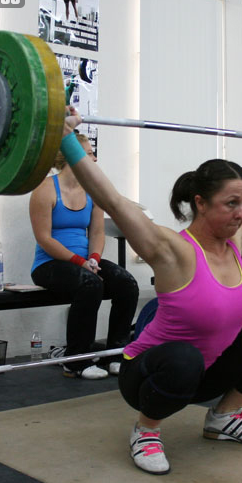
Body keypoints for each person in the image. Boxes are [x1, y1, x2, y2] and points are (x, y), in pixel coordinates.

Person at [59, 109, 242, 475]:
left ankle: (224, 416)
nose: (241, 212)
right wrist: (65, 138)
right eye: (230, 203)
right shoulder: (173, 250)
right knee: (184, 358)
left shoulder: (236, 241)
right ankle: (146, 430)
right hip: (146, 374)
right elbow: (113, 201)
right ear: (200, 202)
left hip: (204, 372)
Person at [29, 133, 140, 380]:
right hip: (50, 264)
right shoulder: (45, 189)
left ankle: (116, 355)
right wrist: (80, 262)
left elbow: (98, 231)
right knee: (90, 284)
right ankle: (76, 361)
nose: (95, 158)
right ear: (72, 156)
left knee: (126, 283)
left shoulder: (93, 191)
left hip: (85, 263)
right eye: (90, 153)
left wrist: (94, 258)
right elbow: (44, 239)